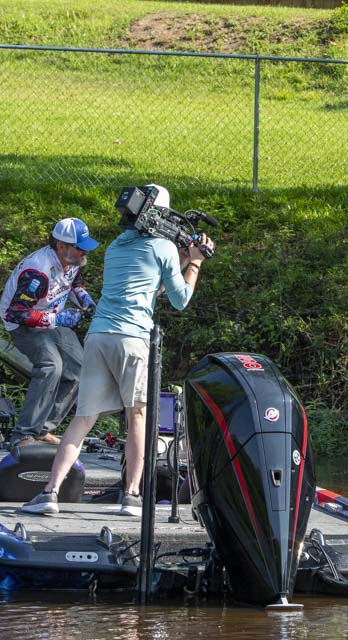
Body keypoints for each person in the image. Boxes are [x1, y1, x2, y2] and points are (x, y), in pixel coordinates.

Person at [22, 184, 214, 517]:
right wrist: (194, 262)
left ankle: (49, 493)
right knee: (137, 416)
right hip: (132, 339)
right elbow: (180, 299)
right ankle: (132, 496)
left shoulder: (116, 246)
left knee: (83, 419)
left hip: (99, 336)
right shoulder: (163, 248)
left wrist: (181, 258)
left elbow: (148, 286)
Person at [0, 217, 99, 449]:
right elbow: (16, 313)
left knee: (81, 369)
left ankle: (43, 429)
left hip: (52, 319)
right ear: (61, 246)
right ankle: (23, 435)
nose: (85, 252)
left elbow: (74, 283)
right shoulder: (38, 270)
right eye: (80, 247)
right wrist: (56, 319)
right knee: (51, 366)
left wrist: (84, 298)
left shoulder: (73, 260)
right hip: (24, 326)